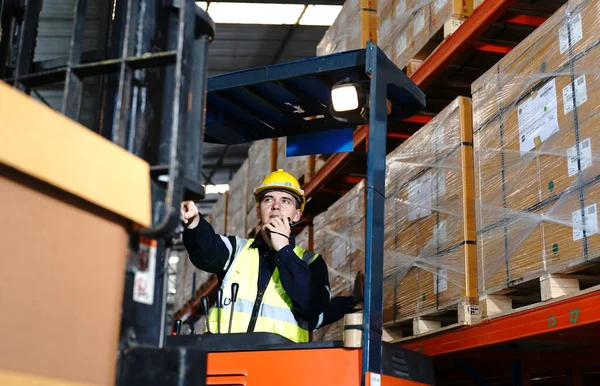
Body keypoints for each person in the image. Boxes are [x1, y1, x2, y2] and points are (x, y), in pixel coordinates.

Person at [180, 169, 333, 343]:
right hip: (225, 360)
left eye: (286, 201)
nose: (276, 206)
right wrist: (194, 222)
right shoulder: (236, 250)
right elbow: (206, 251)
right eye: (268, 199)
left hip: (279, 365)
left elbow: (313, 304)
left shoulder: (312, 263)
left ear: (297, 214)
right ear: (259, 211)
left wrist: (284, 250)